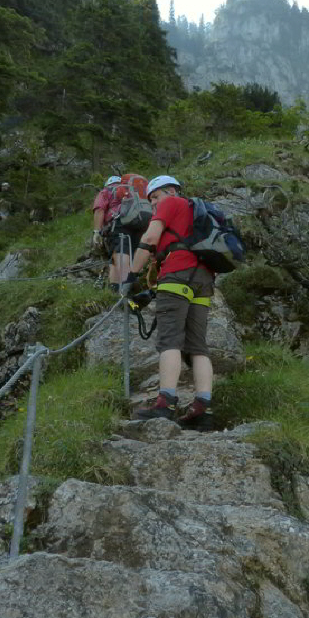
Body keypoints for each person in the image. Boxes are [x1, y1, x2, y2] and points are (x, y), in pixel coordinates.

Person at [122, 175, 215, 432]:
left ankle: (166, 402)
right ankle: (203, 407)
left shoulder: (170, 203)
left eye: (155, 196)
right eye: (150, 200)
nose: (153, 203)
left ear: (171, 191)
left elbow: (150, 239)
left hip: (177, 277)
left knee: (170, 340)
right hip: (203, 279)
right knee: (198, 346)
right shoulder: (193, 212)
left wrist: (130, 275)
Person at [92, 175, 143, 292]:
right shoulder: (131, 191)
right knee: (124, 255)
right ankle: (117, 287)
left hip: (118, 225)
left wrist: (97, 232)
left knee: (119, 254)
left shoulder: (106, 191)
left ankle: (124, 289)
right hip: (137, 225)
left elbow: (99, 210)